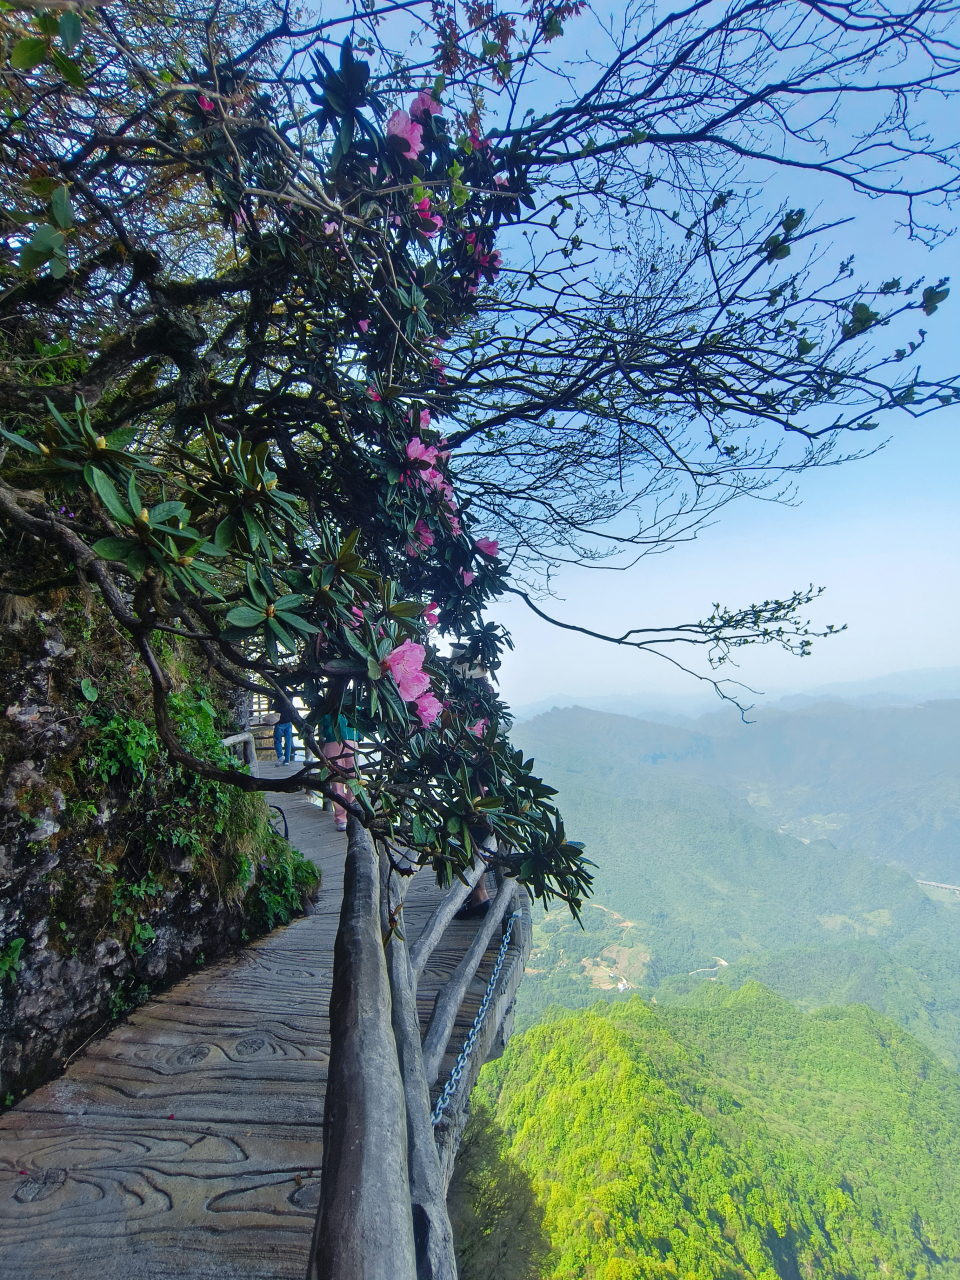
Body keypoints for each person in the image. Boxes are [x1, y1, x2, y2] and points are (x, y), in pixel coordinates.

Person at [320, 711, 357, 832]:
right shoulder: (328, 705)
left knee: (353, 780)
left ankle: (352, 814)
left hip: (352, 739)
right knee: (336, 783)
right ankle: (341, 817)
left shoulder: (354, 699)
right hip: (332, 741)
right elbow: (323, 720)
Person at [271, 697, 294, 765]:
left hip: (279, 722)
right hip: (288, 722)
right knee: (288, 741)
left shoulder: (278, 698)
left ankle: (280, 756)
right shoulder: (289, 697)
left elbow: (272, 707)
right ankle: (287, 760)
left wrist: (271, 701)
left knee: (277, 740)